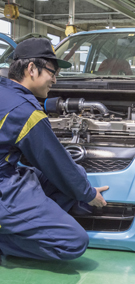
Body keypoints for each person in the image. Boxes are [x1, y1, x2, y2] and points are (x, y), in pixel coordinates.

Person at [0, 38, 109, 261]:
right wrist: (88, 194)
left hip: (8, 172)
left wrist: (79, 185)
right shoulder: (24, 111)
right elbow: (53, 160)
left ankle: (29, 220)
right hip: (3, 184)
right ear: (31, 69)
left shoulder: (6, 94)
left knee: (75, 175)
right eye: (52, 72)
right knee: (74, 243)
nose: (55, 79)